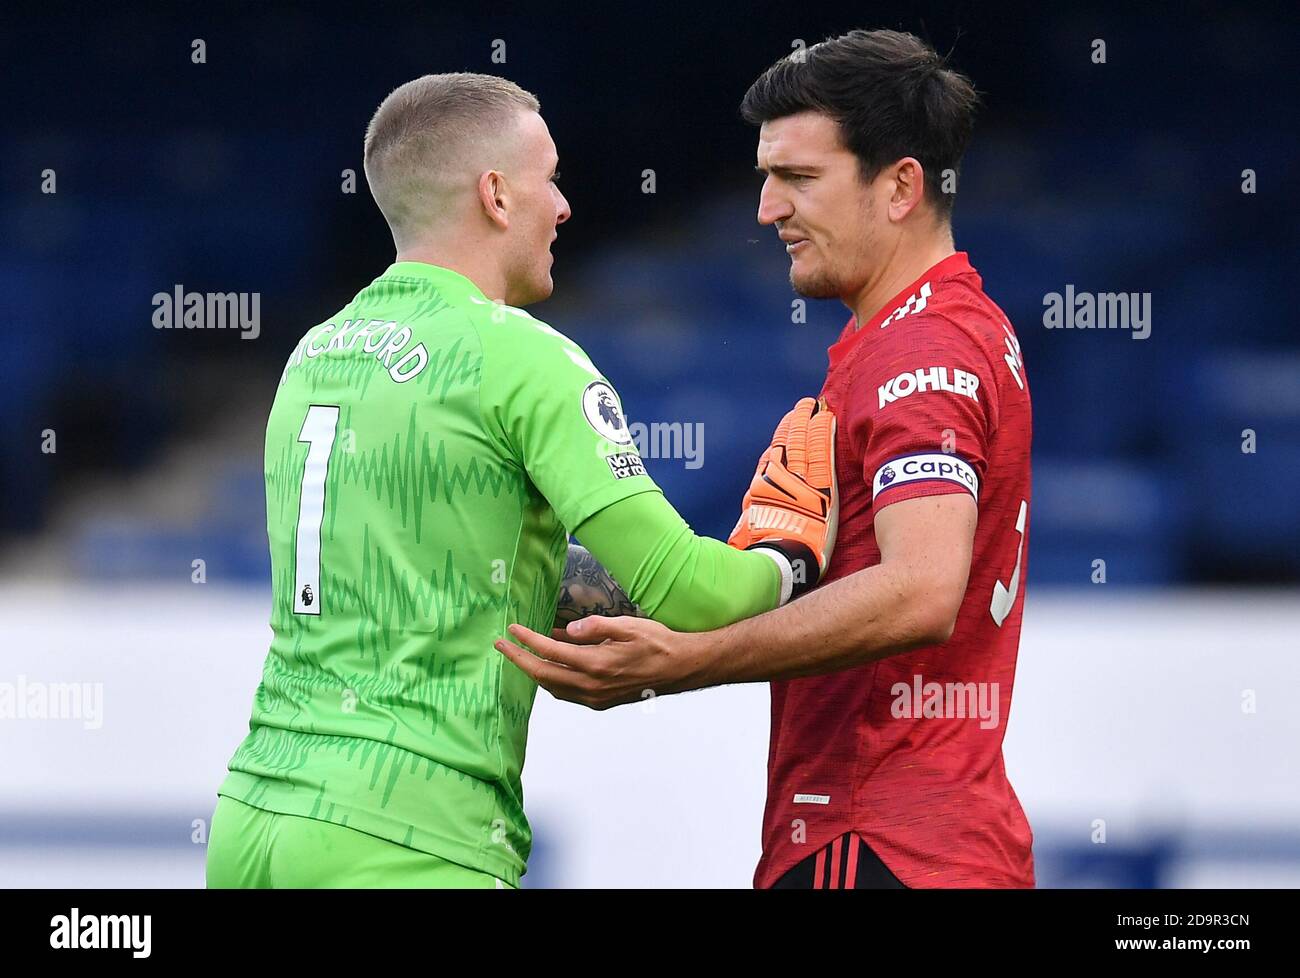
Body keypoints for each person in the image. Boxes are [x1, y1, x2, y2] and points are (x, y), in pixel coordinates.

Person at [205, 72, 837, 889]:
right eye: (552, 178)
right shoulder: (523, 355)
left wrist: (584, 589)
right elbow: (692, 592)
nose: (565, 206)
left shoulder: (312, 355)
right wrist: (788, 557)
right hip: (409, 836)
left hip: (253, 818)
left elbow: (444, 567)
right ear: (497, 195)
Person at [499, 30, 1036, 889]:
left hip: (877, 842)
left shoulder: (920, 352)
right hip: (917, 838)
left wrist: (682, 664)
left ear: (900, 186)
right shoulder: (926, 332)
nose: (766, 209)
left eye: (798, 178)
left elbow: (922, 587)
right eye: (764, 177)